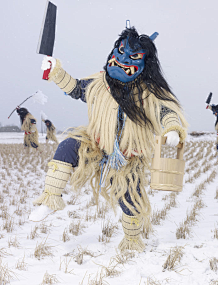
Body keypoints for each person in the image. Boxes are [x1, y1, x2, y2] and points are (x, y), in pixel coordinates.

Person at [30, 26, 188, 252]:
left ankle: (132, 240)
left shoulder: (148, 94)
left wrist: (172, 128)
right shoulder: (100, 84)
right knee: (66, 147)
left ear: (146, 65)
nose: (123, 60)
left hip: (128, 156)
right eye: (120, 51)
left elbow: (165, 111)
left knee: (130, 199)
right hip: (95, 144)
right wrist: (56, 72)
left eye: (133, 57)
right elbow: (75, 88)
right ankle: (49, 200)